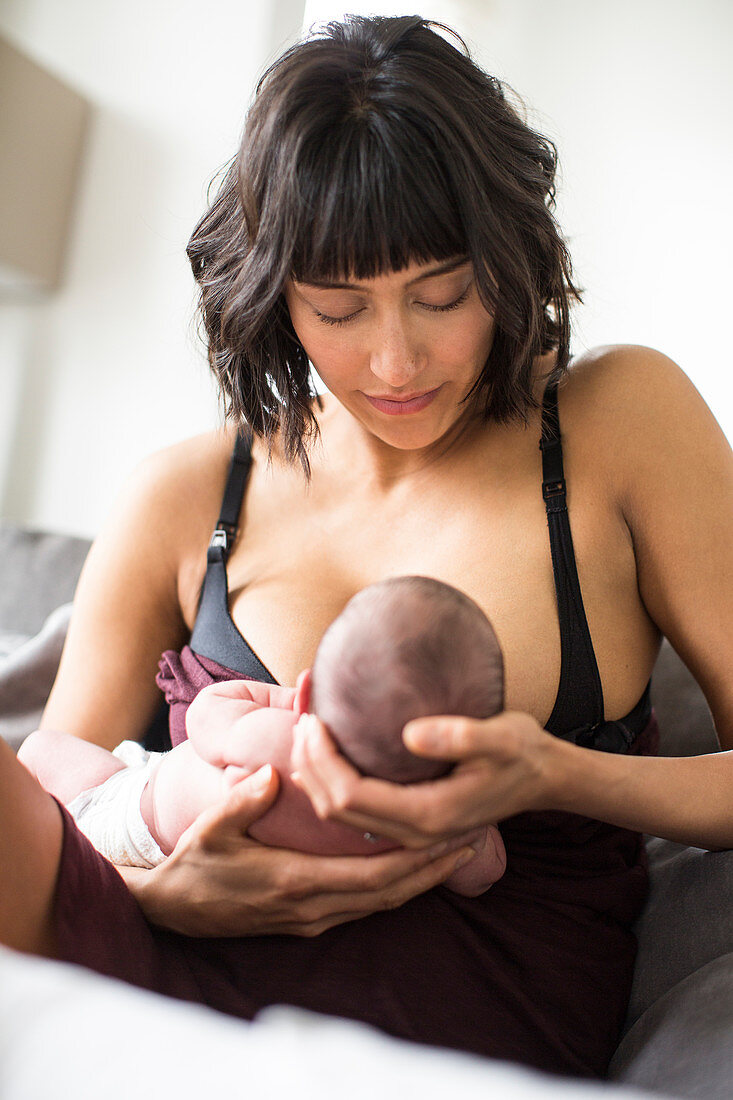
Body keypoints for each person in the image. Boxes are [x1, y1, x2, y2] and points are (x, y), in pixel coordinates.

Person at [0, 11, 731, 1081]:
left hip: (465, 1005)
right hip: (157, 965)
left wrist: (548, 772)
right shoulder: (186, 493)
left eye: (440, 293)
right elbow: (57, 799)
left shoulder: (621, 421)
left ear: (506, 262)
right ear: (270, 299)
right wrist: (172, 891)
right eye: (338, 307)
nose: (396, 359)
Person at [19, 576, 506, 897]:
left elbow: (204, 720)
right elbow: (485, 873)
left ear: (308, 692)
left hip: (128, 824)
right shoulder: (430, 823)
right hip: (160, 863)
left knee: (40, 749)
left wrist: (278, 700)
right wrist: (472, 817)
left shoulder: (281, 740)